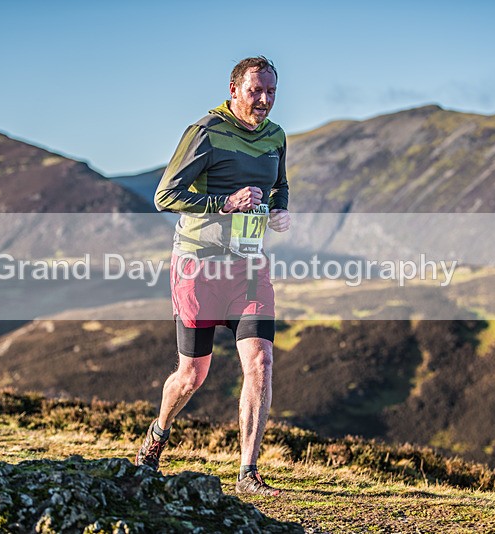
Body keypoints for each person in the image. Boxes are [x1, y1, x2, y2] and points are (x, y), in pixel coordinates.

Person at [135, 56, 290, 496]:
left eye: (272, 92)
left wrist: (280, 210)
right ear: (234, 88)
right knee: (191, 375)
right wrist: (225, 202)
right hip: (198, 265)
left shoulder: (276, 136)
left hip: (248, 265)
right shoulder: (204, 132)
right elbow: (165, 195)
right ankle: (157, 435)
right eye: (256, 91)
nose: (264, 100)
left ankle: (247, 473)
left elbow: (280, 184)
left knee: (260, 362)